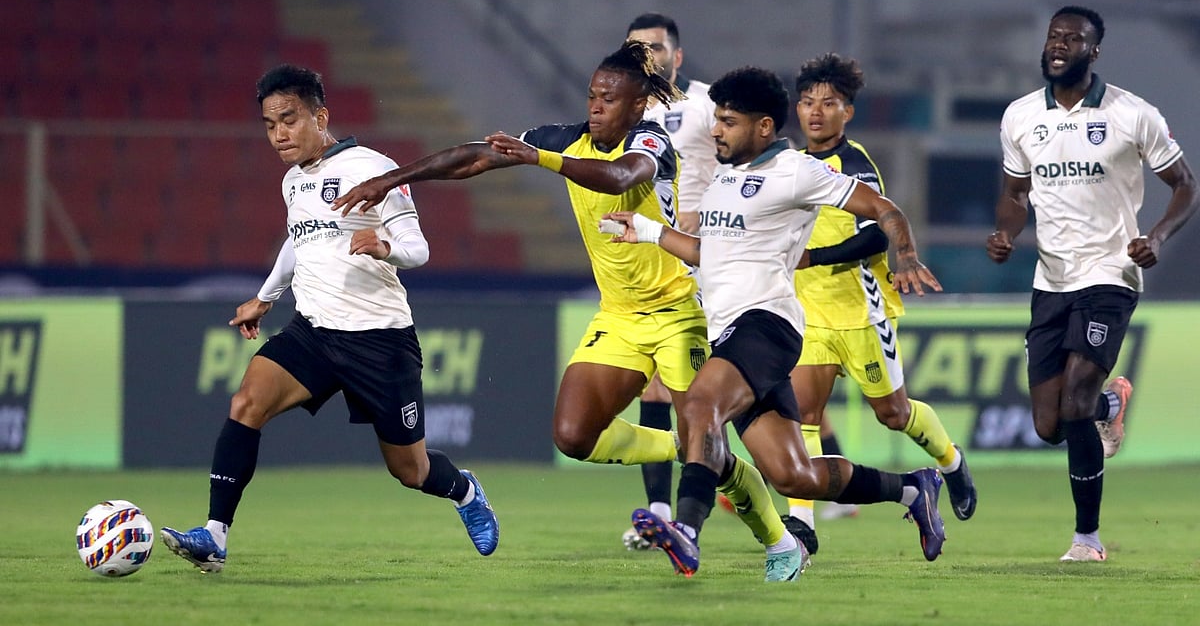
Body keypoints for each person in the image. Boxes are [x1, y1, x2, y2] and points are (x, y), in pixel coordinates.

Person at [332, 41, 804, 581]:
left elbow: (621, 177)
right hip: (619, 315)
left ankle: (778, 541)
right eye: (592, 95)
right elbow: (477, 155)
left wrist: (541, 158)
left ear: (638, 105)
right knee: (575, 436)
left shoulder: (651, 141)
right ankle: (686, 446)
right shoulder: (567, 139)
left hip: (680, 310)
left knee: (706, 430)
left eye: (609, 98)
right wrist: (392, 179)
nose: (596, 106)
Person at [607, 66, 948, 579]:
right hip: (730, 330)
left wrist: (907, 253)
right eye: (717, 119)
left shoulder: (796, 171)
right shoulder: (724, 177)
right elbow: (707, 254)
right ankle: (913, 489)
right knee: (794, 475)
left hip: (766, 324)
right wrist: (650, 231)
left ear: (764, 126)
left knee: (698, 406)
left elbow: (883, 207)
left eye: (728, 122)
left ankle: (686, 530)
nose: (716, 130)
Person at [159, 65, 500, 573]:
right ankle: (214, 536)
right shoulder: (292, 181)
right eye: (270, 125)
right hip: (314, 333)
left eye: (289, 120)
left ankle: (465, 491)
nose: (279, 135)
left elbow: (418, 248)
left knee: (411, 470)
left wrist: (384, 247)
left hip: (380, 340)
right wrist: (265, 298)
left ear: (320, 118)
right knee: (246, 403)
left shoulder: (373, 168)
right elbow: (299, 242)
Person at [988, 5, 1198, 562]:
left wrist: (1157, 236)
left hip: (1111, 273)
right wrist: (1006, 232)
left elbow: (1185, 185)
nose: (1059, 45)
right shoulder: (1019, 116)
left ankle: (1087, 540)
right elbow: (1015, 193)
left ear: (1093, 51)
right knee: (1049, 424)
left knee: (1074, 400)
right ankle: (1111, 404)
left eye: (1072, 38)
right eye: (1053, 36)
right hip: (1051, 278)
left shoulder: (1133, 113)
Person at [782, 52, 977, 546]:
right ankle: (802, 525)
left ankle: (951, 462)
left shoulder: (854, 165)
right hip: (808, 311)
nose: (816, 112)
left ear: (847, 111)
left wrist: (815, 257)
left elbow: (874, 234)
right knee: (803, 414)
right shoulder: (789, 165)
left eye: (829, 103)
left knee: (893, 414)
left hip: (860, 311)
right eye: (807, 102)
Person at [620, 12, 719, 551]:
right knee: (655, 386)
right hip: (649, 259)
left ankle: (721, 499)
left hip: (705, 261)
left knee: (700, 395)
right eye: (635, 47)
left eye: (655, 47)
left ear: (676, 57)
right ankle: (659, 515)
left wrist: (715, 213)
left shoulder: (706, 105)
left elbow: (746, 163)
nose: (645, 56)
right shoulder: (623, 110)